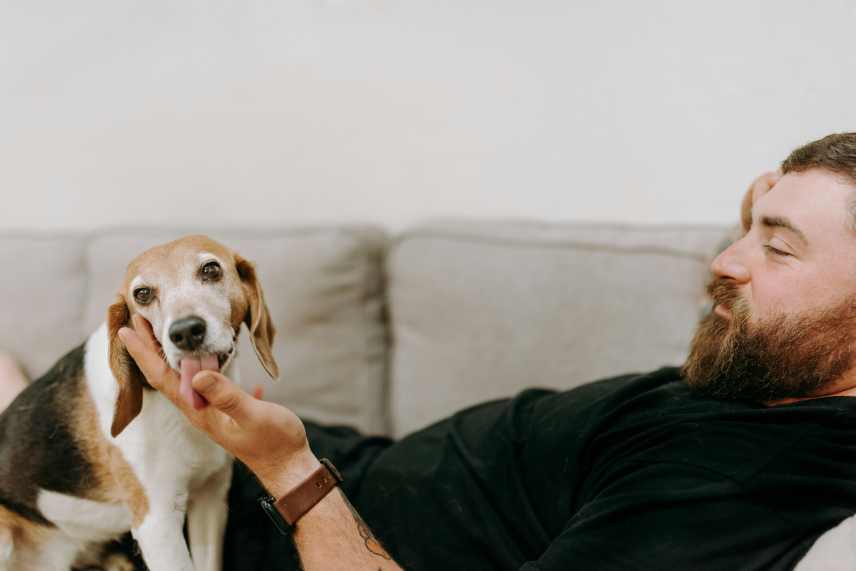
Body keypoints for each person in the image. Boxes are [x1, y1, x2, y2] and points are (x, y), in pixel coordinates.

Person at [6, 133, 856, 570]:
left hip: (248, 518)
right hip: (332, 457)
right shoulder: (764, 374)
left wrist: (288, 470)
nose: (724, 259)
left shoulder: (747, 476)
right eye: (745, 226)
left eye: (777, 247)